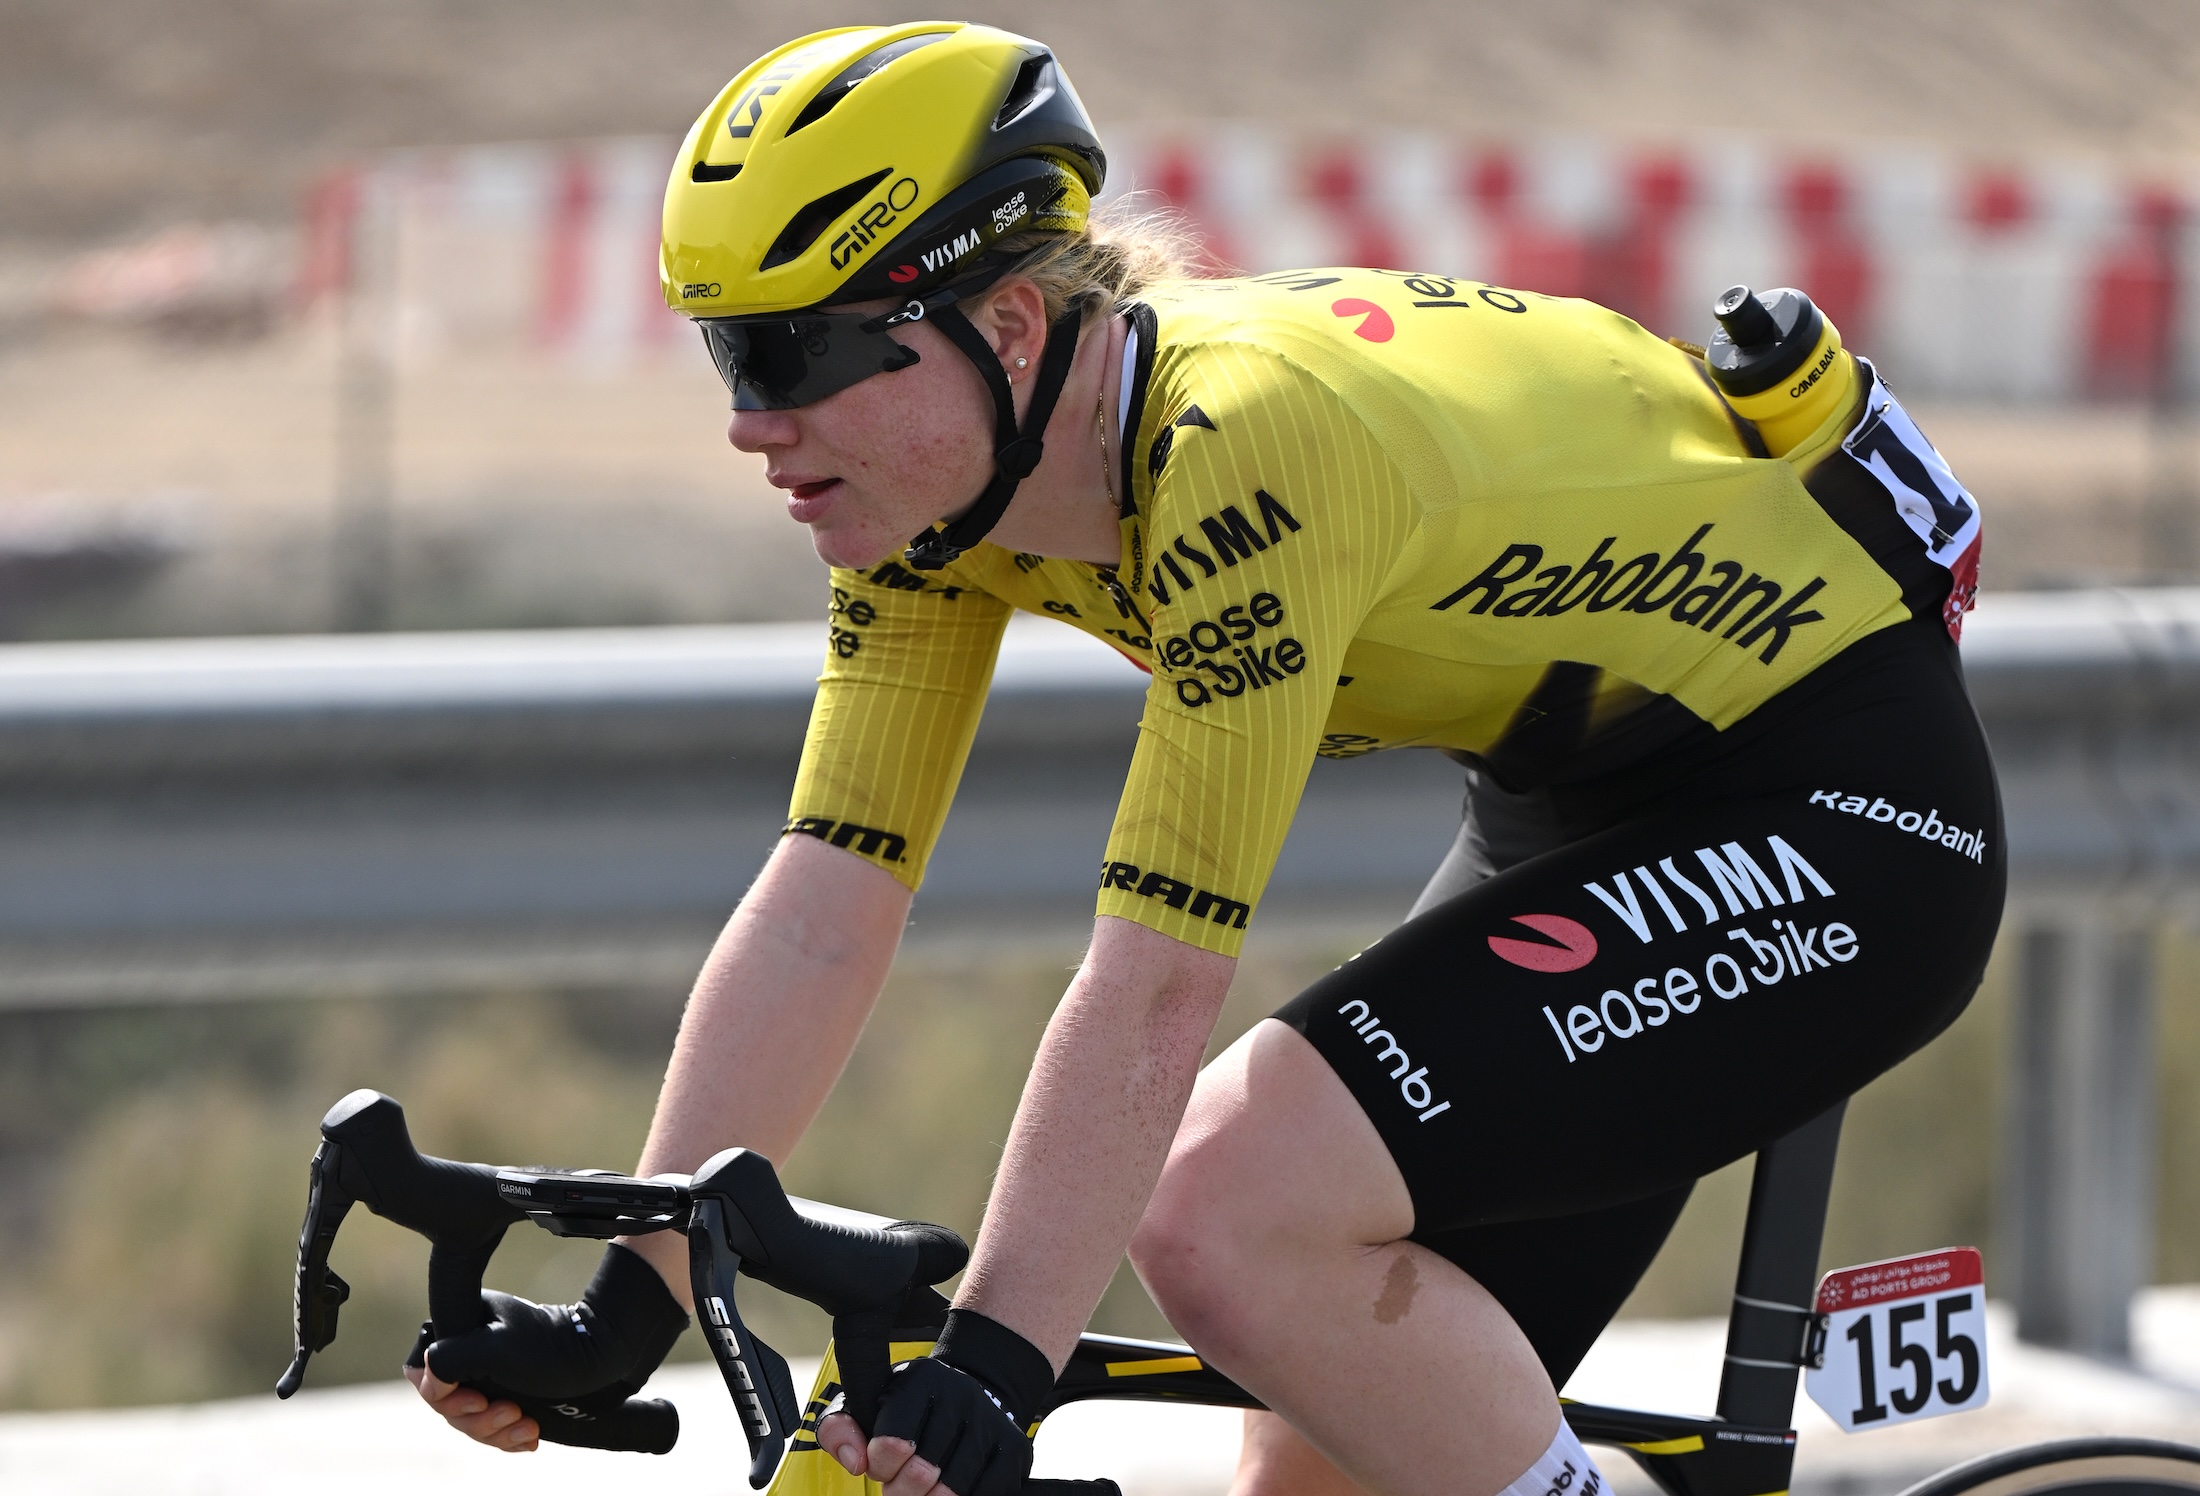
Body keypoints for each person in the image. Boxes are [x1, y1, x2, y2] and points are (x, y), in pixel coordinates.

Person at [407, 23, 2006, 1496]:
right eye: (725, 359)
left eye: (796, 358)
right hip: (1581, 810)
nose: (754, 424)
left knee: (1225, 1218)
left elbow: (1162, 982)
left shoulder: (1244, 456)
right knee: (1315, 1465)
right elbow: (827, 911)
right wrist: (633, 1305)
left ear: (1008, 321)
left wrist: (1000, 1362)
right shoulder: (925, 501)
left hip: (1840, 808)